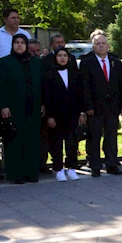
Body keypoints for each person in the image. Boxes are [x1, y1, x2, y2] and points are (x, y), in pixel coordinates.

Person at [0, 34, 44, 184]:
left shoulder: (35, 62)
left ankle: (31, 173)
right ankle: (16, 174)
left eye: (22, 42)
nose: (19, 45)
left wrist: (43, 103)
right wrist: (3, 105)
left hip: (33, 108)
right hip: (14, 109)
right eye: (16, 42)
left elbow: (43, 85)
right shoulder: (5, 62)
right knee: (15, 141)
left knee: (32, 141)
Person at [81, 34, 122, 177]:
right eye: (98, 44)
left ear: (108, 46)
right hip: (95, 108)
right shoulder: (87, 63)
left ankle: (111, 164)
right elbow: (85, 87)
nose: (101, 46)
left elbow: (121, 87)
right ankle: (95, 165)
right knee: (94, 137)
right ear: (93, 47)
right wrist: (88, 107)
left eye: (103, 43)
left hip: (112, 108)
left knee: (111, 137)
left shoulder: (116, 63)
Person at [43, 47, 84, 182]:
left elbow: (80, 95)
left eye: (64, 55)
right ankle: (58, 168)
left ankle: (71, 168)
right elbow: (47, 97)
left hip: (72, 113)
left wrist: (81, 112)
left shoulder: (75, 74)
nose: (62, 58)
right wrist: (50, 116)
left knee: (72, 142)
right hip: (56, 114)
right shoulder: (49, 74)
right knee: (56, 143)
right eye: (59, 55)